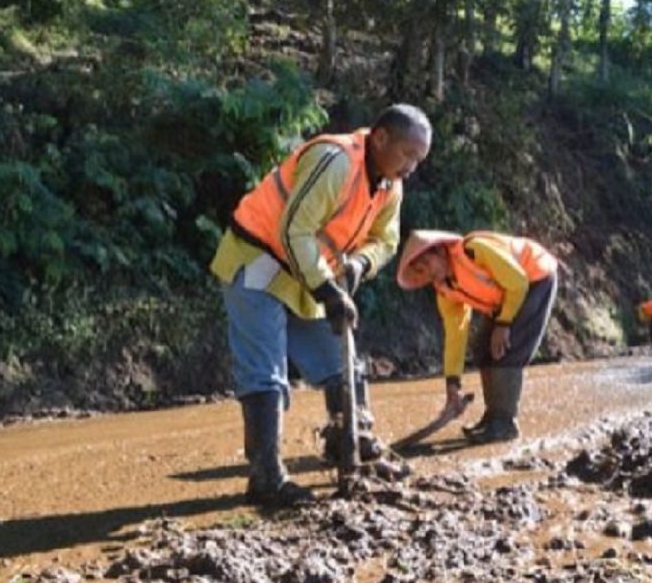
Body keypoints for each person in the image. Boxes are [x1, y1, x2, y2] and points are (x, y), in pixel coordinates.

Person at [210, 104, 432, 506]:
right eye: (408, 154)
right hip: (259, 261)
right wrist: (328, 292)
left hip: (308, 276)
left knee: (340, 363)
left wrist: (361, 264)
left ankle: (351, 449)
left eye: (419, 159)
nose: (411, 167)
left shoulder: (389, 187)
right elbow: (295, 231)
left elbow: (387, 241)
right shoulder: (335, 162)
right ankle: (266, 479)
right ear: (380, 138)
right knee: (266, 374)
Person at [396, 230, 558, 443]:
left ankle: (504, 423)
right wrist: (453, 385)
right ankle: (493, 418)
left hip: (535, 277)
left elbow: (518, 282)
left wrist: (503, 323)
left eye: (426, 264)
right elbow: (455, 335)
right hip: (507, 297)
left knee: (505, 348)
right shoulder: (445, 290)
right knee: (482, 348)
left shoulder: (475, 250)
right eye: (420, 272)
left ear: (440, 252)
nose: (427, 274)